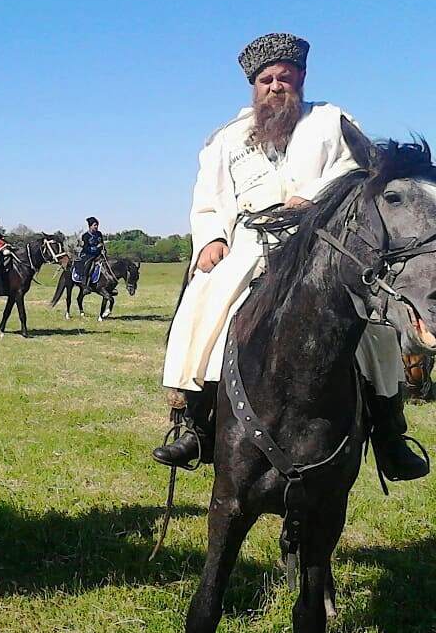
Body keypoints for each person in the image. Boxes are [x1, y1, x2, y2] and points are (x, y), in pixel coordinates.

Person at [151, 32, 428, 483]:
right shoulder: (225, 139)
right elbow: (208, 197)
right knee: (204, 302)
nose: (276, 86)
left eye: (285, 77)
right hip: (248, 244)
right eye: (266, 79)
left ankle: (389, 434)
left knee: (372, 322)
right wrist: (211, 241)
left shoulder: (332, 121)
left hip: (320, 242)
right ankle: (196, 424)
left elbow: (356, 170)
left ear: (300, 77)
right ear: (253, 86)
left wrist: (311, 200)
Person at [79, 217, 104, 294]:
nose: (96, 227)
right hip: (87, 254)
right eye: (95, 225)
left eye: (97, 225)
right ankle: (84, 284)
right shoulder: (85, 236)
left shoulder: (99, 234)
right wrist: (96, 248)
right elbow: (86, 248)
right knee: (89, 264)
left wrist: (103, 250)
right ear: (90, 226)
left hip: (98, 255)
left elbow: (102, 244)